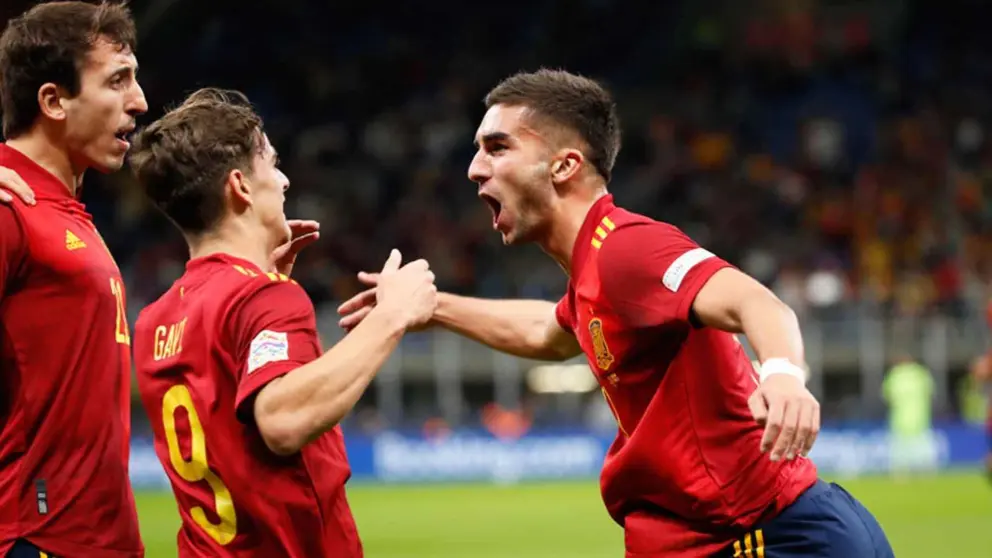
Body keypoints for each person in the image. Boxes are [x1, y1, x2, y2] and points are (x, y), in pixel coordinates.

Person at [338, 69, 894, 558]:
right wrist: (432, 306)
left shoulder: (627, 248)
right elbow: (549, 333)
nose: (473, 169)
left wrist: (783, 377)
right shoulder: (592, 273)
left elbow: (755, 301)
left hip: (764, 537)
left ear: (564, 166)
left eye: (498, 147)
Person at [128, 87, 438, 557]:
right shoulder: (264, 298)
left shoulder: (155, 320)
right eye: (271, 163)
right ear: (241, 186)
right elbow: (281, 421)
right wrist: (393, 316)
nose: (285, 179)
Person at [0, 3, 147, 557]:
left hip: (94, 539)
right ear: (53, 101)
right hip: (38, 538)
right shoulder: (10, 205)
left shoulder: (62, 209)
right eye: (118, 80)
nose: (140, 101)